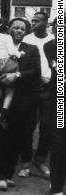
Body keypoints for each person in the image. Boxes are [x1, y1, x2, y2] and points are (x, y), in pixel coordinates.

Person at [0, 17, 40, 191]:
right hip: (2, 101)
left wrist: (17, 76)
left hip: (22, 103)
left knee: (16, 141)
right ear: (9, 29)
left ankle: (9, 174)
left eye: (22, 28)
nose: (18, 31)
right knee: (1, 140)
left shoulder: (31, 50)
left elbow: (35, 71)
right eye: (15, 27)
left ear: (26, 32)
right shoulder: (0, 45)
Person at [19, 11, 55, 178]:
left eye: (37, 21)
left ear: (46, 23)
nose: (32, 23)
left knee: (47, 127)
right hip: (30, 87)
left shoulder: (53, 41)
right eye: (32, 21)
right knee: (27, 125)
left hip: (49, 88)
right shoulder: (26, 39)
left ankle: (39, 159)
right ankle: (25, 161)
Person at [0, 18, 25, 128]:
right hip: (5, 66)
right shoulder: (7, 37)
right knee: (9, 92)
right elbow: (12, 51)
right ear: (7, 29)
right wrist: (20, 54)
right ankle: (2, 114)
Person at [45, 19, 64, 195]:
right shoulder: (50, 47)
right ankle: (56, 185)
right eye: (57, 29)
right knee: (59, 143)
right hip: (59, 101)